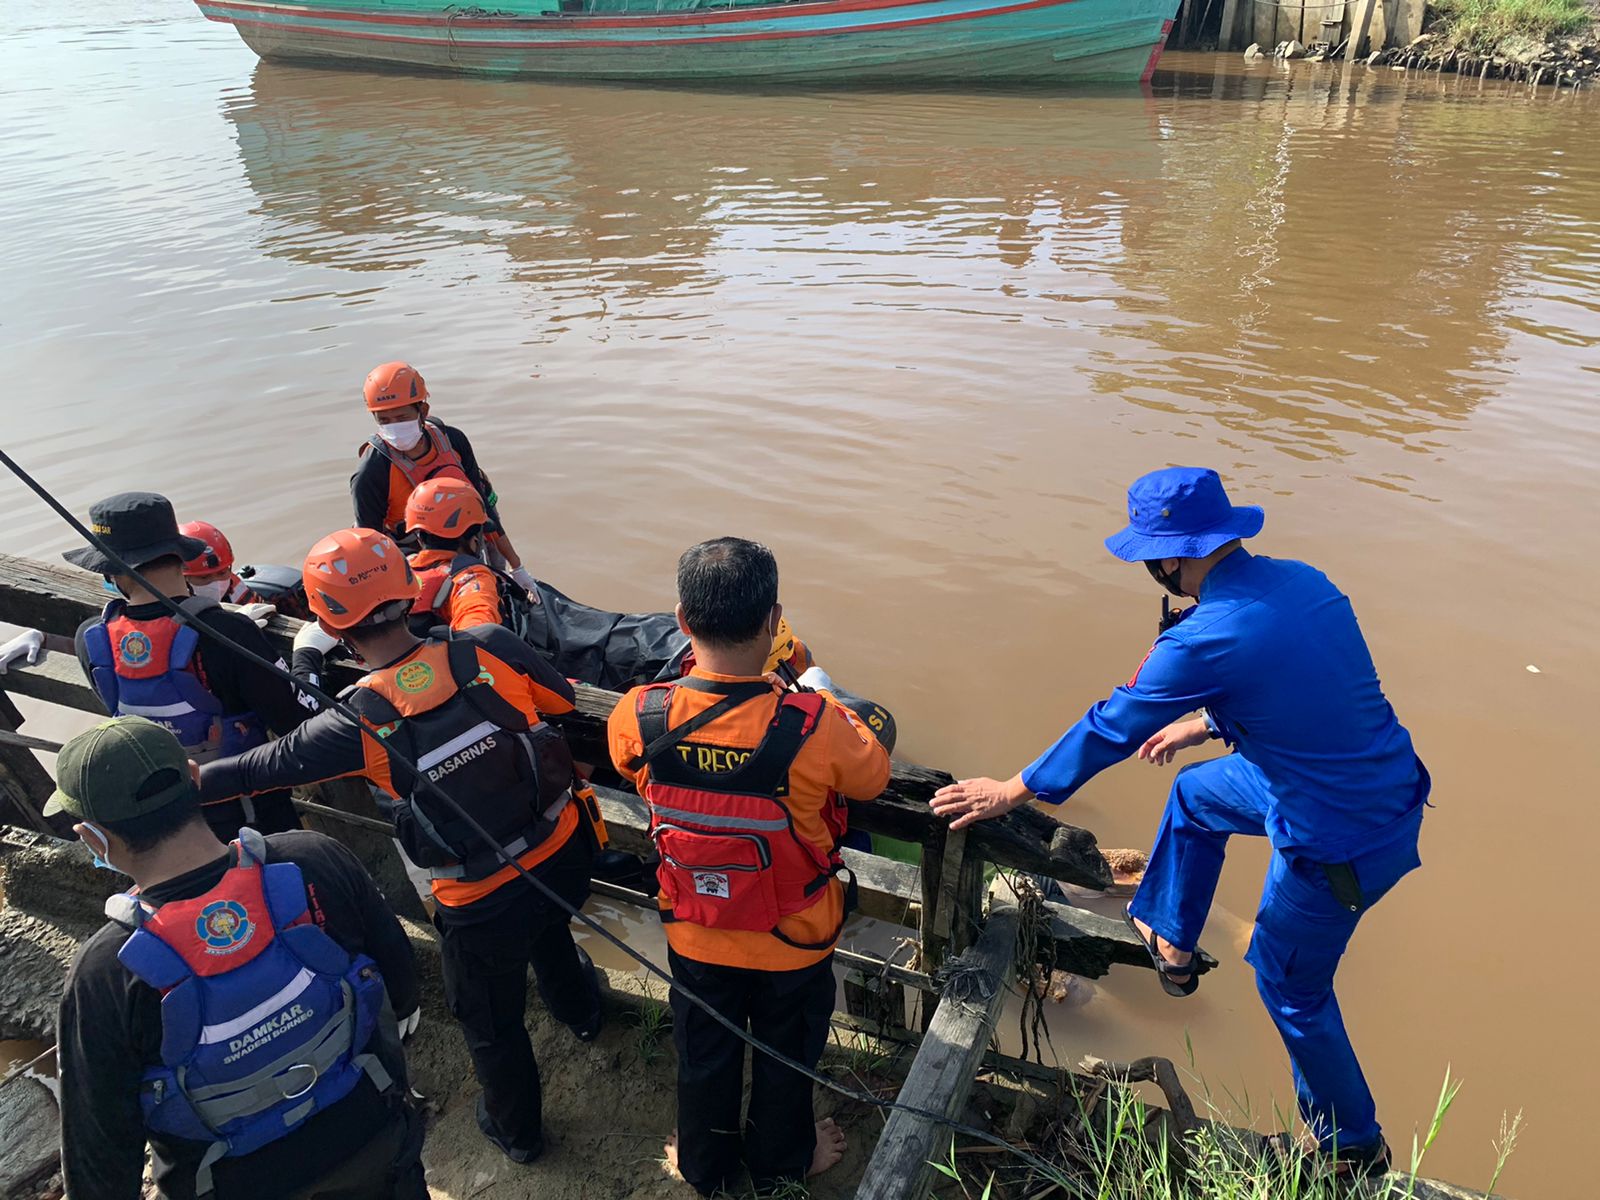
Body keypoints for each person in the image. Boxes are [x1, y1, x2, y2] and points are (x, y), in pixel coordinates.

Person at [930, 467, 1427, 1178]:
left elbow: (1111, 725)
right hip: (1371, 782)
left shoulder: (1201, 638)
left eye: (1149, 558)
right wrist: (1203, 723)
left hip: (1341, 836)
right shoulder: (1306, 582)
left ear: (1169, 558)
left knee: (1291, 987)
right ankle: (1173, 944)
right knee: (1197, 797)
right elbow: (1306, 691)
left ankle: (1353, 1147)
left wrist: (1012, 790)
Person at [199, 527, 605, 1165]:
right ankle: (583, 1015)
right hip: (564, 853)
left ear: (329, 620)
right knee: (554, 932)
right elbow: (563, 700)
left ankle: (519, 1134)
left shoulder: (357, 719)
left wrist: (299, 669)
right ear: (412, 589)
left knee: (492, 1025)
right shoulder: (490, 645)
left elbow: (265, 766)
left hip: (480, 899)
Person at [607, 537, 892, 1197]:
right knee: (785, 1057)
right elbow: (873, 774)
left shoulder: (641, 713)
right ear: (774, 621)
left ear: (682, 620)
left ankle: (703, 1166)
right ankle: (784, 1160)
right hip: (794, 941)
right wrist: (813, 682)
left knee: (703, 1054)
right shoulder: (812, 723)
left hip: (694, 930)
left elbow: (627, 765)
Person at [50, 716, 424, 1200]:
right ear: (194, 776)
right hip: (372, 1138)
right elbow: (399, 981)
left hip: (230, 1182)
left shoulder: (103, 972)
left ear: (92, 837)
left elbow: (100, 1155)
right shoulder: (314, 859)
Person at [66, 492, 309, 837]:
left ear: (113, 573)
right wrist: (305, 656)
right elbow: (293, 722)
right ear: (181, 557)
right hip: (252, 815)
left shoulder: (91, 638)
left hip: (162, 820)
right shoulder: (228, 632)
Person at [350, 361, 539, 598]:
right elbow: (372, 546)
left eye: (402, 417)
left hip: (466, 537)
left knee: (495, 585)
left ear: (423, 411)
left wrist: (517, 568)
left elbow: (485, 508)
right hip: (411, 557)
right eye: (384, 421)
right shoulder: (372, 470)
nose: (394, 428)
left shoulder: (453, 441)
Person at [402, 475, 539, 636]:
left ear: (419, 536)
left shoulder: (399, 570)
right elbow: (480, 631)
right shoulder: (472, 580)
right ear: (474, 539)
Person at [179, 521, 262, 605]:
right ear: (183, 579)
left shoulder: (237, 589)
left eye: (222, 573)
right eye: (204, 577)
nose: (216, 584)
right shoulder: (172, 607)